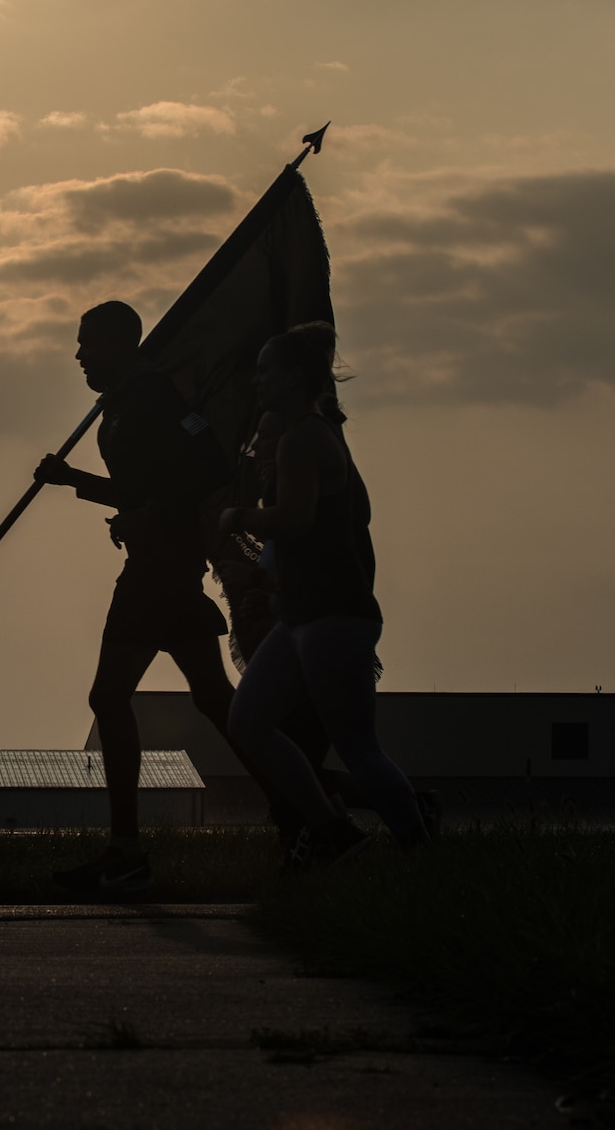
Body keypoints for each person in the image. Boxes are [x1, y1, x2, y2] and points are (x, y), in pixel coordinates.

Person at [36, 300, 237, 896]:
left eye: (88, 344)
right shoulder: (121, 407)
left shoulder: (152, 397)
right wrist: (77, 483)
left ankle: (125, 850)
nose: (78, 355)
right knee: (217, 701)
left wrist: (153, 514)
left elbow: (209, 467)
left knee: (108, 694)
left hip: (162, 572)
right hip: (159, 566)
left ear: (121, 345)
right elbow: (139, 488)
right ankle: (321, 803)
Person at [225, 321, 432, 864]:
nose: (257, 380)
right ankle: (335, 833)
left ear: (295, 376)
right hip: (302, 617)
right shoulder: (311, 438)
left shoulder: (306, 439)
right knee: (247, 722)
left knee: (360, 749)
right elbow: (343, 517)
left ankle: (417, 848)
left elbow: (293, 521)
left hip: (333, 617)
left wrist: (240, 515)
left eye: (266, 370)